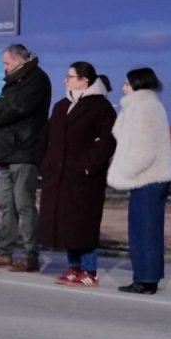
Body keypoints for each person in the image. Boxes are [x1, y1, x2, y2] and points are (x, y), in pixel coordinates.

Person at [36, 62, 116, 286]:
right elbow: (47, 136)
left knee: (84, 223)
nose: (65, 80)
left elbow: (108, 140)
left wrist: (88, 165)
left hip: (84, 178)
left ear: (84, 80)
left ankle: (89, 270)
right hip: (59, 175)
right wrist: (44, 163)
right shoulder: (62, 105)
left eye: (70, 76)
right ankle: (74, 266)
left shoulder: (100, 107)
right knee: (66, 223)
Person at [0, 43, 51, 272]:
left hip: (24, 150)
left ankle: (31, 254)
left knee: (24, 205)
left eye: (7, 63)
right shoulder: (15, 80)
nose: (5, 67)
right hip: (7, 151)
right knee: (6, 205)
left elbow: (18, 109)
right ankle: (4, 251)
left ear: (20, 60)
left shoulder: (36, 79)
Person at [108, 67, 171, 294]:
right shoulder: (139, 106)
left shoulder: (146, 107)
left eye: (127, 84)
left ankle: (147, 280)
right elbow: (120, 134)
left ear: (138, 84)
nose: (123, 88)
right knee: (141, 229)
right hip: (147, 177)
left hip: (149, 177)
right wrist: (126, 109)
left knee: (146, 230)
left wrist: (128, 171)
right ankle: (145, 277)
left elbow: (145, 148)